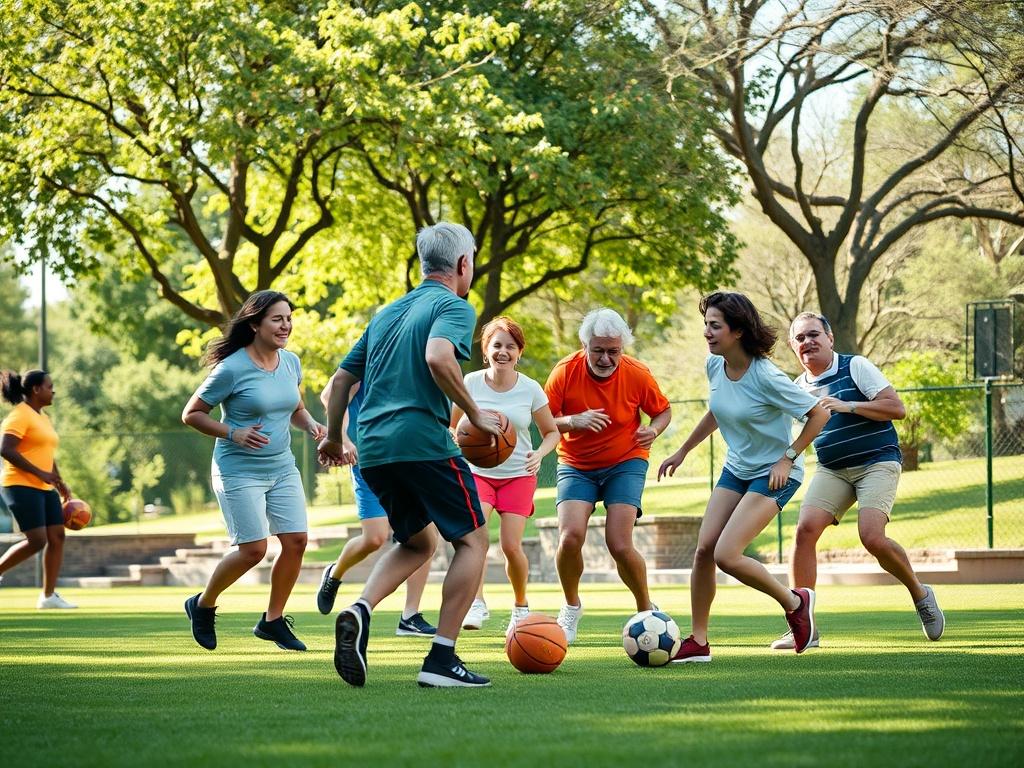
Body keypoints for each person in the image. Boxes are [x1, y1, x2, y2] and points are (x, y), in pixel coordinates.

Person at [318, 221, 502, 688]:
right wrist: (476, 416)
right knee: (474, 541)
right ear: (464, 265)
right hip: (421, 440)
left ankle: (359, 609)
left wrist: (335, 439)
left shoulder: (386, 313)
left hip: (374, 448)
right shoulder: (455, 306)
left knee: (419, 541)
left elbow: (340, 382)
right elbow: (440, 358)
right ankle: (442, 659)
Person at [659, 292, 830, 661]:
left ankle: (794, 602)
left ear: (737, 331)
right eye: (706, 325)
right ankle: (699, 642)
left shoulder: (766, 376)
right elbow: (718, 411)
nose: (707, 332)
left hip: (774, 475)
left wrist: (787, 458)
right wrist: (683, 450)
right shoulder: (714, 365)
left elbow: (819, 415)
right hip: (736, 469)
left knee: (726, 554)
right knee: (704, 549)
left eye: (714, 326)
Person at [773, 311, 944, 649]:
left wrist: (847, 405)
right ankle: (803, 626)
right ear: (794, 347)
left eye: (813, 335)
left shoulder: (855, 366)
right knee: (804, 531)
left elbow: (896, 408)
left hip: (876, 462)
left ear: (830, 338)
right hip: (832, 468)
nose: (807, 342)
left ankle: (921, 594)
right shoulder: (797, 387)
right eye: (800, 339)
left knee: (871, 537)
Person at [181, 290, 324, 652]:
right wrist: (234, 432)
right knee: (253, 550)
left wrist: (311, 426)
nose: (285, 325)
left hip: (282, 467)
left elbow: (295, 407)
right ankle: (203, 605)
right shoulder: (231, 368)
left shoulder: (290, 362)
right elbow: (191, 414)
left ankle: (272, 621)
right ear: (255, 323)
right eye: (277, 319)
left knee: (296, 542)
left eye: (288, 318)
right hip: (237, 470)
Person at [544, 308, 672, 643]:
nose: (605, 358)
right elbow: (543, 420)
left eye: (613, 351)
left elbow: (663, 411)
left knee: (619, 542)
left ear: (622, 349)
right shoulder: (563, 373)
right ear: (585, 345)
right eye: (598, 350)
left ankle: (646, 609)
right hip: (576, 462)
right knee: (570, 537)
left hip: (625, 460)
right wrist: (573, 421)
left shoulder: (637, 374)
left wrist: (653, 431)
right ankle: (571, 607)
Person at [450, 316, 560, 634]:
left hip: (518, 475)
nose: (503, 352)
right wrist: (457, 440)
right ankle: (477, 603)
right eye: (497, 345)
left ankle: (520, 607)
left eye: (510, 346)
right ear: (486, 351)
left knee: (511, 546)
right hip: (478, 472)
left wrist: (539, 454)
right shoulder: (470, 383)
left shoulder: (530, 389)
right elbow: (452, 425)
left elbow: (551, 431)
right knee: (476, 538)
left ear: (519, 352)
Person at [315, 379, 437, 638]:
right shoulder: (368, 353)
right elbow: (331, 394)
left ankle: (410, 615)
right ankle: (334, 573)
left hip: (409, 457)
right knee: (375, 538)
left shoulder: (419, 353)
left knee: (425, 532)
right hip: (367, 459)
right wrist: (342, 438)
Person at [0, 370, 75, 608]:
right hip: (19, 485)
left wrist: (59, 480)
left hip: (43, 486)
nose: (53, 391)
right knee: (37, 540)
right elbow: (6, 449)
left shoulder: (42, 417)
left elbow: (46, 452)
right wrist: (40, 473)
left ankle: (48, 596)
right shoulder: (19, 416)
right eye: (49, 386)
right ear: (36, 390)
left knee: (57, 536)